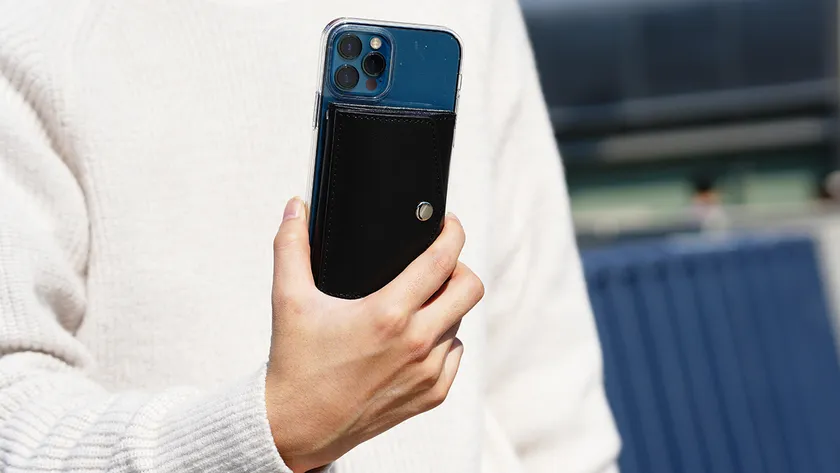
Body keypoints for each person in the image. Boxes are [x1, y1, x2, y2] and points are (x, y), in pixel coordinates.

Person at [0, 1, 619, 472]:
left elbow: (550, 392)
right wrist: (272, 431)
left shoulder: (476, 13)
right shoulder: (38, 25)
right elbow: (12, 410)